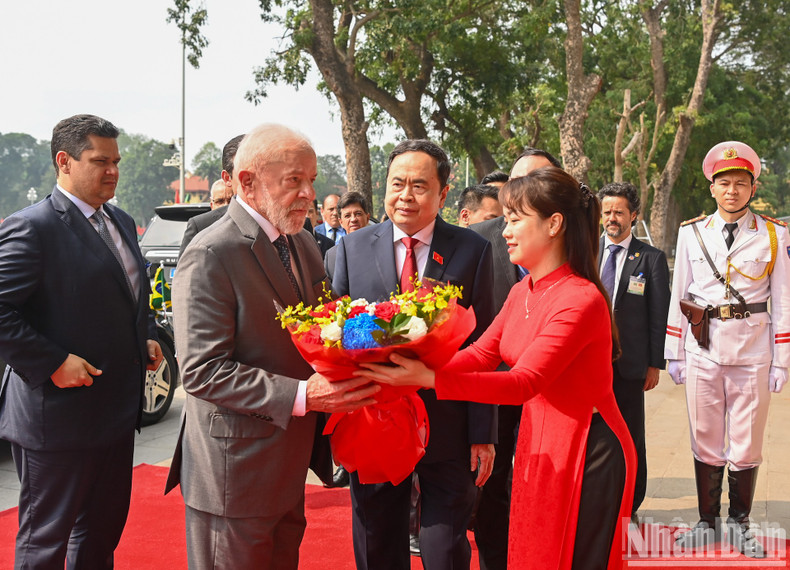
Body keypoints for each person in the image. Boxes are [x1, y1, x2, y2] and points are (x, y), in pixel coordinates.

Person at [358, 167, 636, 570]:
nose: (504, 231)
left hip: (586, 450)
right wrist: (410, 360)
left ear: (554, 224)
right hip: (540, 442)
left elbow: (523, 383)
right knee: (534, 549)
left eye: (515, 220)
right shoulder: (524, 290)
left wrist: (429, 380)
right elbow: (483, 353)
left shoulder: (581, 299)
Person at [165, 123, 380, 569]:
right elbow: (203, 371)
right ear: (247, 181)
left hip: (287, 463)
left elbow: (328, 321)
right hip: (234, 473)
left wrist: (390, 334)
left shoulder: (300, 240)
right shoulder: (212, 253)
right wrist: (304, 395)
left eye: (312, 180)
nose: (308, 193)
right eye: (293, 181)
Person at [0, 114, 163, 568]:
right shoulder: (33, 227)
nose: (112, 170)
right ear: (64, 161)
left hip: (115, 413)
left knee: (101, 534)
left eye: (116, 161)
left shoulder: (123, 220)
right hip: (56, 418)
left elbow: (133, 293)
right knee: (46, 542)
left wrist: (146, 335)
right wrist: (52, 361)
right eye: (99, 161)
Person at [331, 139, 497, 570]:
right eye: (397, 184)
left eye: (419, 186)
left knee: (445, 549)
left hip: (448, 423)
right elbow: (338, 334)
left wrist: (484, 431)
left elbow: (485, 346)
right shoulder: (352, 247)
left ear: (443, 194)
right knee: (378, 543)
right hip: (376, 420)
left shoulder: (472, 249)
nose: (405, 195)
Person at [665, 141, 790, 558]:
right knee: (704, 435)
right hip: (703, 349)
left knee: (747, 440)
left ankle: (740, 523)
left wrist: (781, 359)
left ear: (753, 187)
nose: (732, 190)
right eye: (724, 183)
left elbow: (784, 300)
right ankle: (706, 521)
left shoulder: (775, 234)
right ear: (712, 188)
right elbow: (679, 292)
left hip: (754, 351)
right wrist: (674, 351)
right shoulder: (691, 233)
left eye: (740, 183)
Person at [467, 147, 560, 570]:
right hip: (495, 397)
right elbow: (478, 341)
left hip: (554, 402)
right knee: (495, 493)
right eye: (519, 184)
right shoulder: (479, 241)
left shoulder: (577, 254)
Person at [598, 181, 670, 521]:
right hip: (590, 363)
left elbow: (659, 314)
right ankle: (597, 500)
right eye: (607, 211)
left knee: (629, 436)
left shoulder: (651, 258)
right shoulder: (585, 250)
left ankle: (631, 504)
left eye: (619, 212)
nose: (612, 218)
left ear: (634, 215)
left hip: (630, 365)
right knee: (595, 435)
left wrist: (655, 364)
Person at [178, 134, 244, 257]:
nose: (226, 205)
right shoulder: (199, 225)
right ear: (211, 203)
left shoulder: (268, 222)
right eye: (220, 201)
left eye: (230, 200)